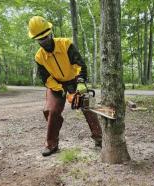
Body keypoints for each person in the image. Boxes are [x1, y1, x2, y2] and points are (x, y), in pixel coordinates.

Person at [28, 16, 102, 157]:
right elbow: (46, 79)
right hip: (56, 84)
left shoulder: (65, 44)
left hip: (75, 79)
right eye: (40, 39)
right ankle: (51, 144)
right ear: (36, 39)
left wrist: (80, 82)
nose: (45, 41)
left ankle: (100, 139)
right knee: (50, 110)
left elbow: (80, 63)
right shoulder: (39, 57)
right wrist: (62, 91)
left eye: (46, 37)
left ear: (50, 32)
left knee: (88, 107)